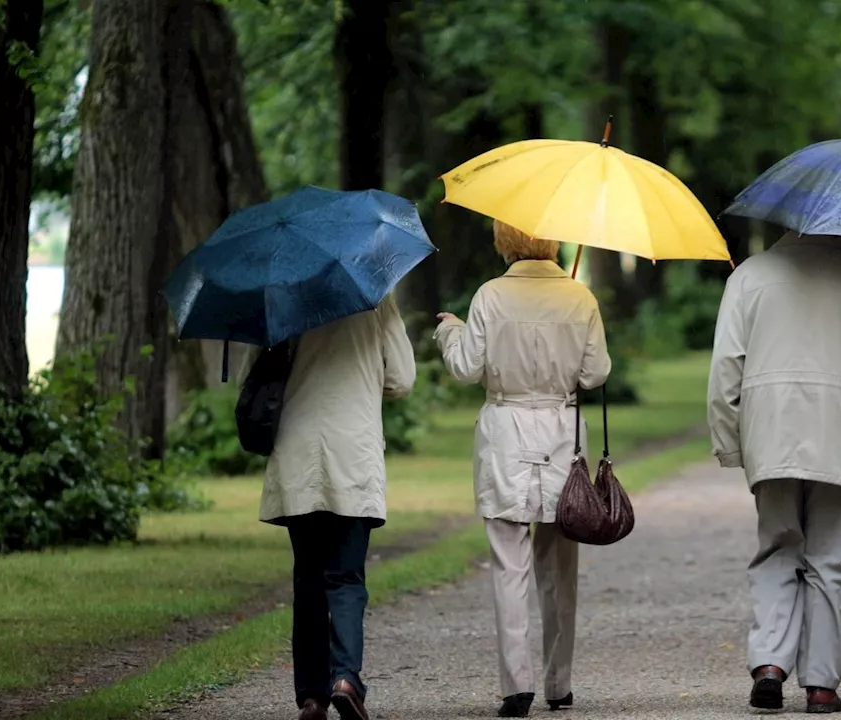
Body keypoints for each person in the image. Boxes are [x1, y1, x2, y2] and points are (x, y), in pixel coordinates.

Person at [707, 232, 841, 714]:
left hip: (770, 429)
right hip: (840, 429)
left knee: (778, 544)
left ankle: (771, 664)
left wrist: (729, 441)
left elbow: (726, 367)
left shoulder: (750, 276)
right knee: (829, 557)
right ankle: (820, 684)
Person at [434, 221, 611, 718]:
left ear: (504, 241)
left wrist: (451, 332)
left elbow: (467, 368)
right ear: (551, 242)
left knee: (509, 564)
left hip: (506, 432)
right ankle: (560, 682)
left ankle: (517, 685)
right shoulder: (580, 297)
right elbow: (596, 374)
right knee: (559, 567)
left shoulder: (491, 295)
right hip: (562, 435)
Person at [259, 295, 416, 720]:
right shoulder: (375, 297)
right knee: (346, 576)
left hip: (299, 449)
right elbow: (402, 379)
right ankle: (346, 678)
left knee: (308, 577)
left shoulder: (284, 294)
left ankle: (312, 695)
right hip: (353, 451)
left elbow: (252, 376)